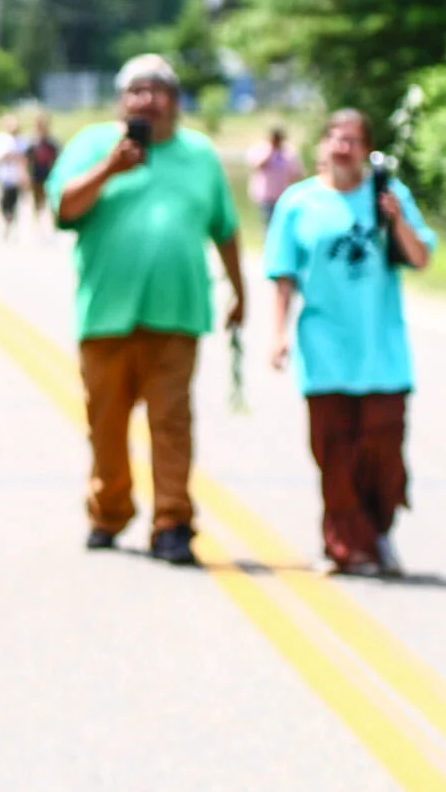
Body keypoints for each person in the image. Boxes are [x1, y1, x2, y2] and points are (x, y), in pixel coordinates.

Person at [46, 54, 246, 565]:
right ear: (122, 101)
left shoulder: (199, 154)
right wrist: (111, 167)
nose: (147, 100)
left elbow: (225, 228)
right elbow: (64, 209)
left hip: (176, 313)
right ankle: (108, 511)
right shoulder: (93, 146)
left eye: (158, 90)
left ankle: (172, 522)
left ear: (175, 103)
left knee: (172, 423)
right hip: (106, 315)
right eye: (136, 90)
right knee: (105, 424)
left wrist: (238, 290)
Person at [265, 109, 435, 576]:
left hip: (381, 351)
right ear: (322, 145)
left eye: (353, 141)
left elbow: (420, 257)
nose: (343, 148)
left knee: (383, 452)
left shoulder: (388, 195)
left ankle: (376, 533)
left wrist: (396, 219)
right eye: (336, 139)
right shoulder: (298, 203)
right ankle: (346, 546)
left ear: (367, 149)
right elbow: (282, 275)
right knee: (334, 449)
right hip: (325, 349)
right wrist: (277, 333)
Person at [247, 126, 305, 225]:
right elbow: (256, 165)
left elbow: (297, 174)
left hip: (283, 195)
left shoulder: (288, 151)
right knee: (268, 224)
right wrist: (270, 151)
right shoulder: (261, 149)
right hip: (266, 196)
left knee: (282, 224)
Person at [0, 114, 27, 238]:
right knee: (3, 203)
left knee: (15, 203)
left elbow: (25, 160)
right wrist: (4, 156)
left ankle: (12, 227)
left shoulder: (22, 141)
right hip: (3, 176)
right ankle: (5, 222)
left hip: (16, 178)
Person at [22, 110, 60, 229]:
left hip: (49, 176)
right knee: (36, 202)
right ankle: (37, 226)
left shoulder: (52, 142)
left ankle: (53, 226)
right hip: (36, 175)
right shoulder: (32, 141)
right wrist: (25, 175)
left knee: (52, 202)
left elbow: (58, 159)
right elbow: (26, 160)